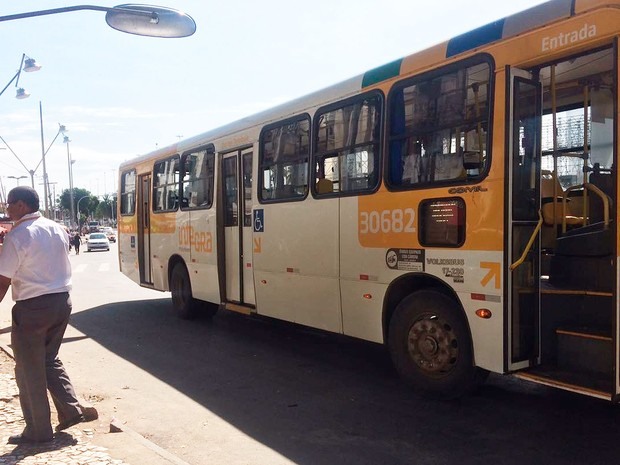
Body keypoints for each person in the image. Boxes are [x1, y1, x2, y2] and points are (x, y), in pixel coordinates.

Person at [0, 186, 97, 445]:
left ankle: (38, 431)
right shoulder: (56, 228)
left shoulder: (18, 235)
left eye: (9, 204)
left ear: (21, 205)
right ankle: (70, 409)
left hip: (32, 307)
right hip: (61, 302)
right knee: (48, 359)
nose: (6, 208)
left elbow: (3, 280)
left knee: (28, 369)